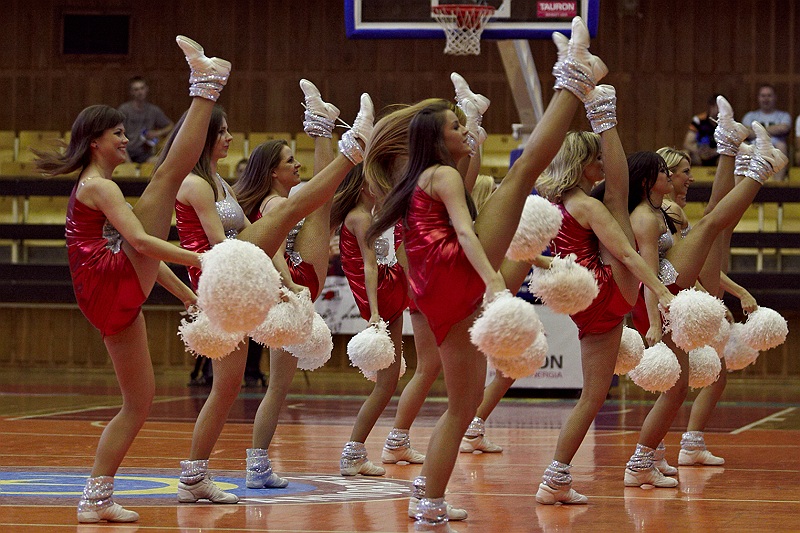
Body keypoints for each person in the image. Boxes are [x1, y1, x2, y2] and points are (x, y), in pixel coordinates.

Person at [367, 17, 600, 528]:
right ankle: (573, 77)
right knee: (524, 171)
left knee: (461, 406)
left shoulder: (424, 176)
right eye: (456, 126)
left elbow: (460, 219)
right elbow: (466, 233)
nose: (463, 133)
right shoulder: (443, 175)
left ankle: (427, 498)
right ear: (438, 140)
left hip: (436, 290)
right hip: (454, 271)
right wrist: (494, 283)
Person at [34, 36, 228, 523]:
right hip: (106, 281)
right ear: (95, 142)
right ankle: (205, 85)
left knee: (138, 404)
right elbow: (140, 245)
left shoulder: (98, 186)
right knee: (169, 175)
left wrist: (189, 295)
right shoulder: (100, 186)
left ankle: (95, 499)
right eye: (117, 133)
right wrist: (205, 260)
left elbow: (139, 255)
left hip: (106, 291)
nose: (126, 139)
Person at [171, 81, 374, 503]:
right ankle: (342, 142)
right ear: (205, 137)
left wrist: (283, 283)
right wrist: (269, 282)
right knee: (304, 206)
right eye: (223, 132)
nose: (230, 137)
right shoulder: (194, 184)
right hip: (225, 281)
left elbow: (258, 236)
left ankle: (197, 476)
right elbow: (222, 244)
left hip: (242, 276)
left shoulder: (220, 184)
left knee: (228, 389)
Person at [625, 110, 786, 489]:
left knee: (677, 389)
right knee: (713, 222)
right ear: (649, 180)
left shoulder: (660, 212)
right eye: (667, 173)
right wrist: (653, 321)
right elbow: (646, 275)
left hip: (674, 295)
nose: (675, 178)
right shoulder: (646, 218)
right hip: (663, 297)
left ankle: (650, 457)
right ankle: (753, 164)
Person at [234, 80, 348, 489]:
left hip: (296, 282)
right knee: (278, 387)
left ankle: (321, 125)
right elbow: (274, 251)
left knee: (322, 201)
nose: (295, 166)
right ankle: (257, 466)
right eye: (289, 161)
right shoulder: (276, 203)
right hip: (295, 282)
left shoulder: (277, 200)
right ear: (272, 172)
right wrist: (289, 287)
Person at [330, 163, 409, 477]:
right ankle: (353, 453)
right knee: (386, 385)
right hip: (383, 292)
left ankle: (355, 452)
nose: (384, 185)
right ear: (364, 186)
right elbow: (369, 265)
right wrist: (374, 312)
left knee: (388, 384)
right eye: (378, 180)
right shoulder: (360, 217)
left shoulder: (368, 214)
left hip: (387, 289)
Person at [118, 76, 175, 163]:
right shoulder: (124, 110)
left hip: (145, 153)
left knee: (163, 162)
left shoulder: (153, 110)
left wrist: (157, 133)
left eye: (142, 88)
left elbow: (170, 126)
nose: (140, 92)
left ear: (146, 89)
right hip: (127, 151)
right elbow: (118, 134)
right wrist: (127, 160)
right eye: (136, 90)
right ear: (131, 92)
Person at [742, 84, 791, 180]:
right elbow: (747, 132)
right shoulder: (750, 116)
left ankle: (778, 184)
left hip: (775, 148)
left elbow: (784, 128)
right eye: (763, 96)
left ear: (775, 98)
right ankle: (744, 184)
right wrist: (773, 130)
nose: (766, 99)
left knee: (782, 145)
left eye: (769, 96)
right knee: (744, 145)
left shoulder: (783, 115)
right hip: (754, 147)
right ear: (758, 98)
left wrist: (758, 131)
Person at [683, 94, 720, 167]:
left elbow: (731, 146)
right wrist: (700, 151)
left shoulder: (727, 123)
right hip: (700, 154)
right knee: (684, 154)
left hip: (718, 155)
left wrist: (714, 152)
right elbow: (687, 143)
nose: (720, 110)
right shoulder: (698, 120)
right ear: (711, 106)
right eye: (718, 107)